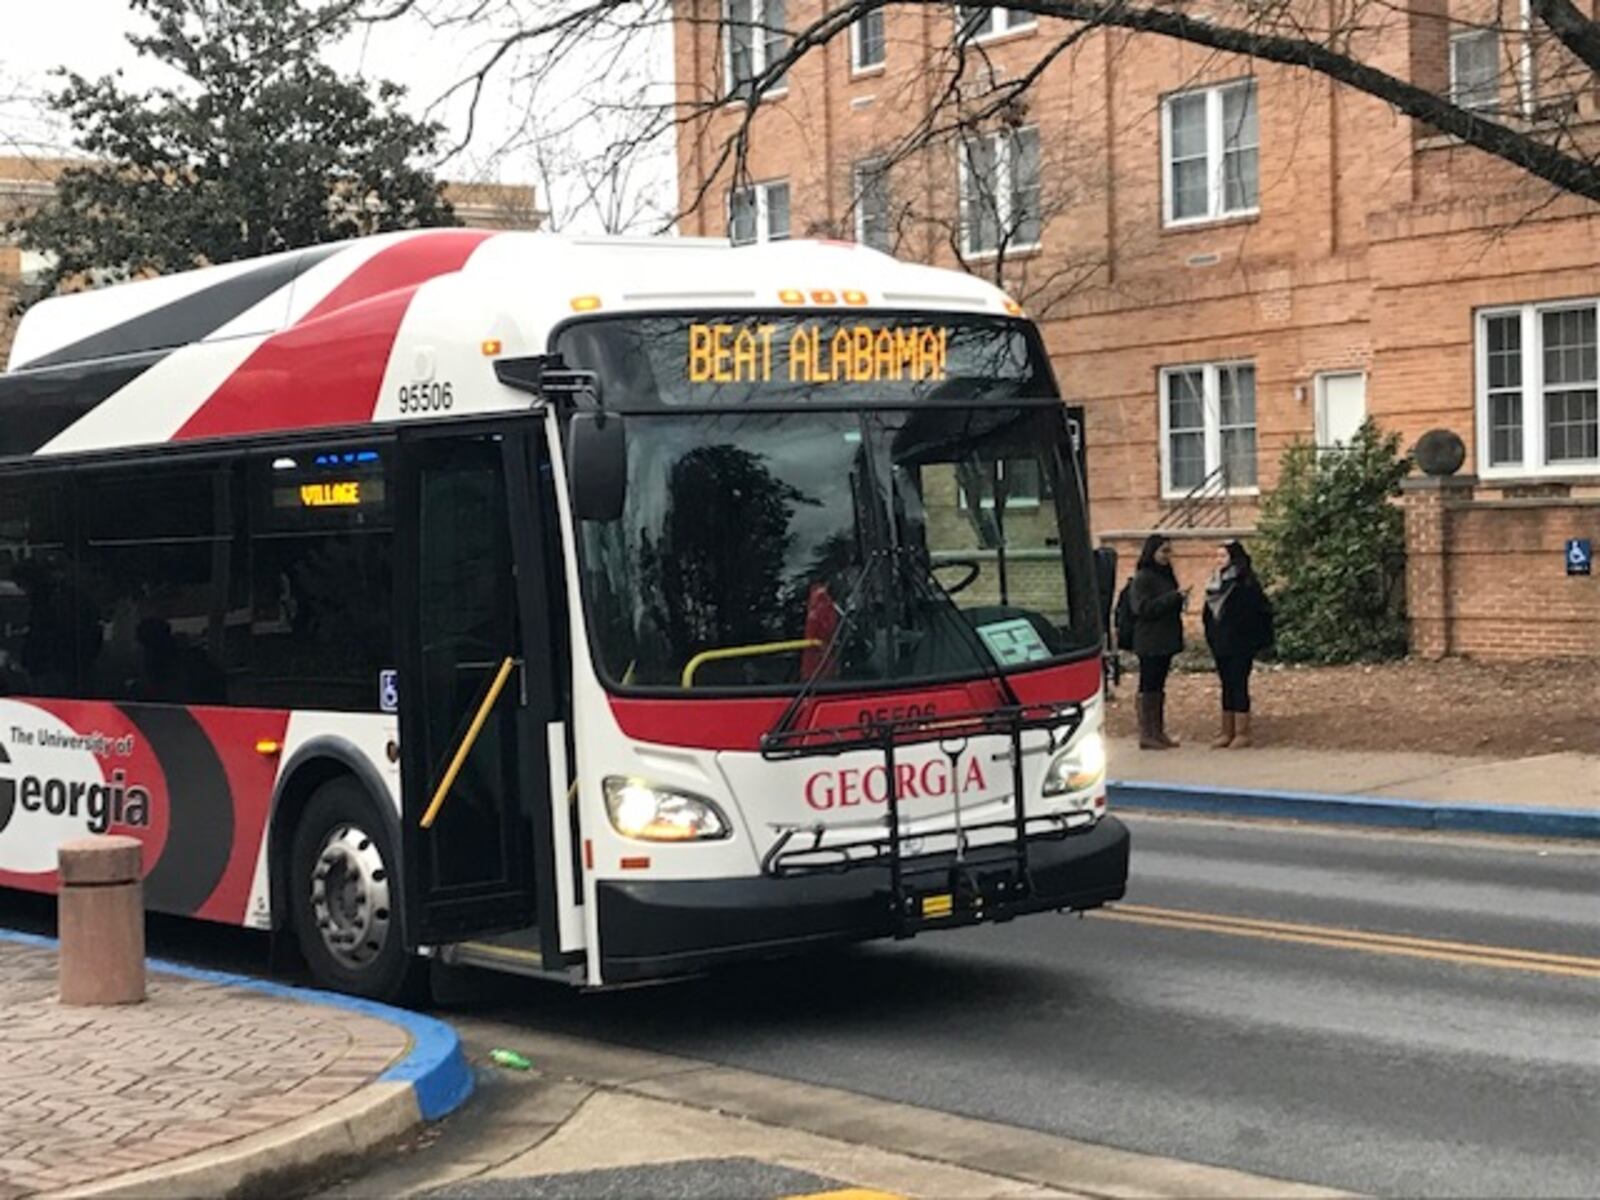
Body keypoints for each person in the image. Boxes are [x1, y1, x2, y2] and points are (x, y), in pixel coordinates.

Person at [1202, 540, 1275, 748]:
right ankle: (1227, 730)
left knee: (1239, 683)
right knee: (1226, 684)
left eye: (1223, 556)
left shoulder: (1246, 583)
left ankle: (1242, 731)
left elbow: (1257, 612)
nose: (1219, 561)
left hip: (1241, 643)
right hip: (1220, 642)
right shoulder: (1213, 584)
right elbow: (1208, 614)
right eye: (1217, 556)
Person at [1129, 533, 1187, 750]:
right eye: (1163, 551)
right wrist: (1172, 598)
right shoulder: (1143, 577)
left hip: (1165, 638)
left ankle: (1158, 730)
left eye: (1168, 551)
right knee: (1148, 684)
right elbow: (1142, 608)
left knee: (1159, 686)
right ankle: (1147, 732)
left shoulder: (1166, 575)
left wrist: (1179, 599)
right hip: (1150, 640)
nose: (1166, 556)